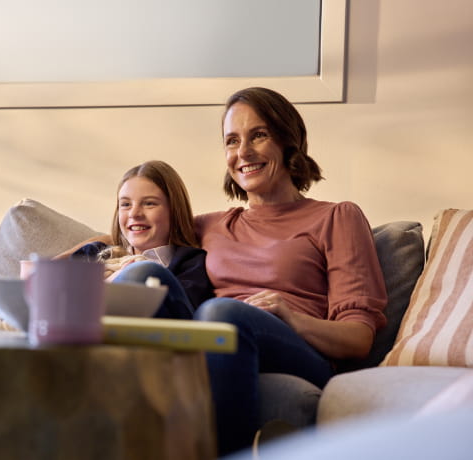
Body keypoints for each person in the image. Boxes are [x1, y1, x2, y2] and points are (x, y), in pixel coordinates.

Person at [193, 87, 388, 455]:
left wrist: (292, 317)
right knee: (141, 282)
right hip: (217, 339)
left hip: (299, 350)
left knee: (221, 313)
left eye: (259, 135)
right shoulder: (208, 226)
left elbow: (358, 338)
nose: (243, 152)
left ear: (288, 142)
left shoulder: (336, 217)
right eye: (232, 141)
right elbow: (126, 230)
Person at [67, 160, 213, 319]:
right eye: (125, 204)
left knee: (146, 271)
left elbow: (186, 317)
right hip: (83, 333)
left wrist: (131, 275)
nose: (134, 213)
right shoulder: (93, 253)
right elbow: (57, 295)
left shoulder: (190, 263)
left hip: (152, 337)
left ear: (174, 211)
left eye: (149, 203)